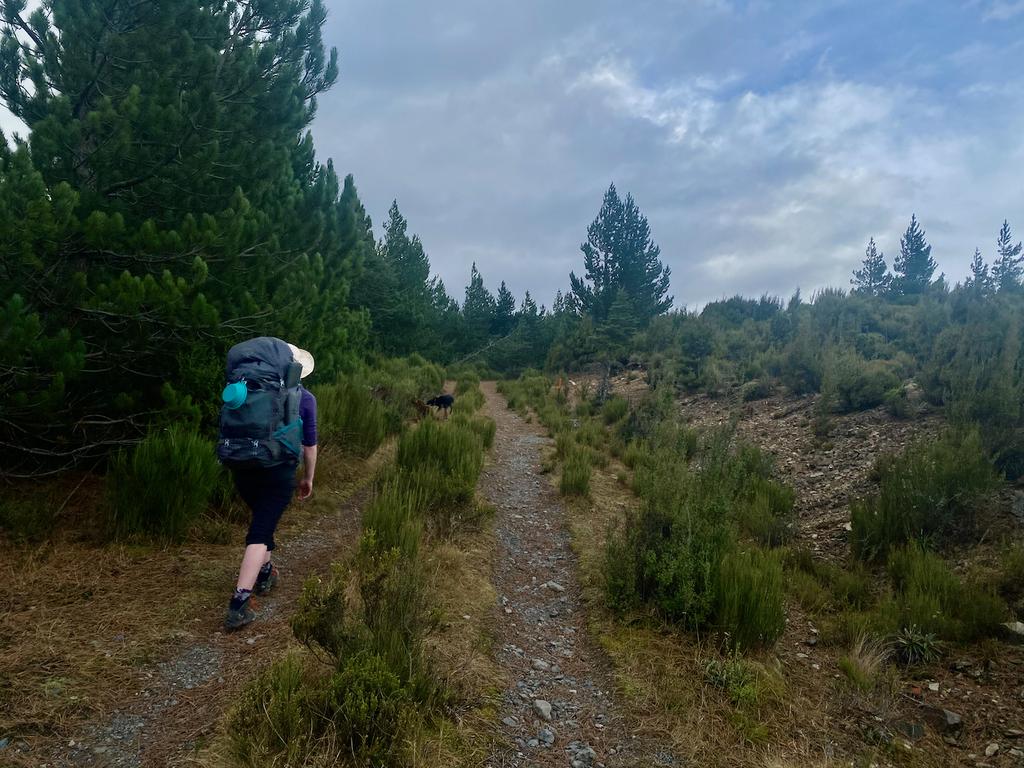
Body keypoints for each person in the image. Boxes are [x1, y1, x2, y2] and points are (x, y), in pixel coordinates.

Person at [224, 343, 318, 631]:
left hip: (241, 463)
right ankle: (239, 603)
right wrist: (308, 477)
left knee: (262, 522)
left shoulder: (247, 386)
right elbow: (310, 445)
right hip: (278, 470)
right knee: (261, 531)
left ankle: (265, 573)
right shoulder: (305, 398)